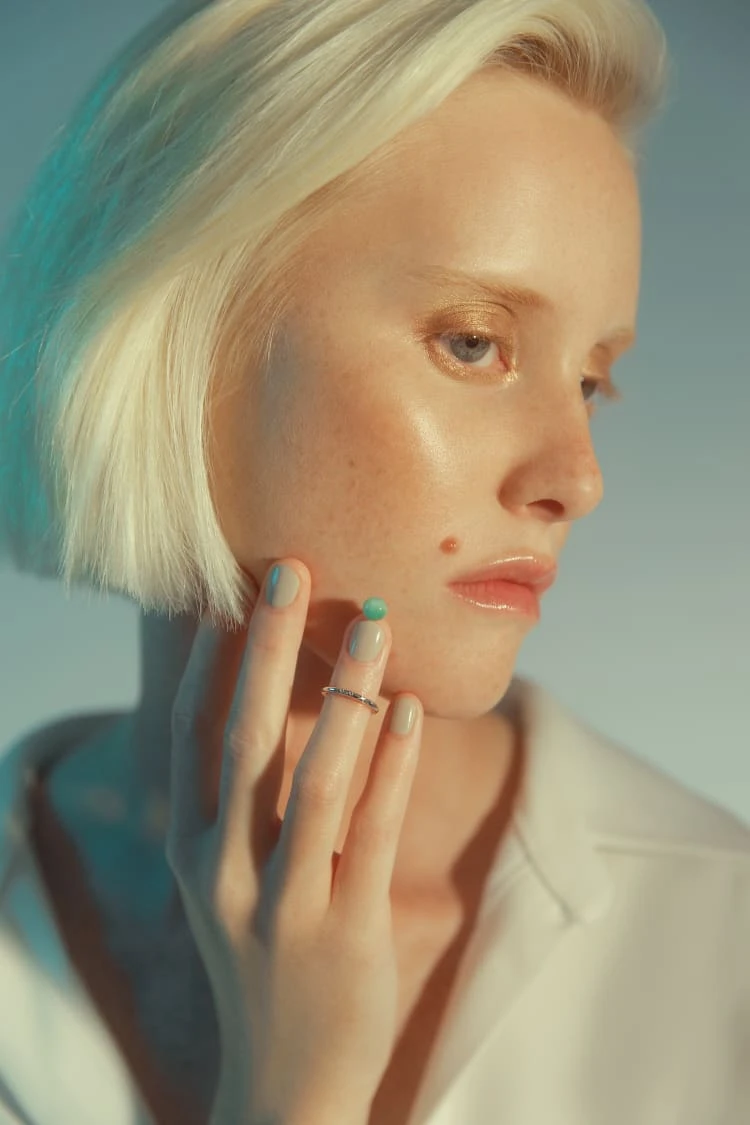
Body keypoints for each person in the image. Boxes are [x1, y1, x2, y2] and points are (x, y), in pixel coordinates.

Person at [0, 0, 748, 1123]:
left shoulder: (719, 944)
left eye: (588, 378)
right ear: (182, 335)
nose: (577, 478)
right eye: (473, 341)